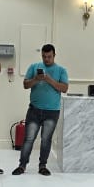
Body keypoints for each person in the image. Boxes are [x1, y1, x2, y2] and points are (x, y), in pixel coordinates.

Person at [13, 44, 69, 176]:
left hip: (52, 112)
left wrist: (49, 80)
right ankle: (22, 165)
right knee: (28, 138)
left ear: (54, 55)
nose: (46, 59)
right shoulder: (34, 67)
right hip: (34, 110)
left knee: (46, 139)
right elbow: (25, 85)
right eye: (44, 56)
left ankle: (42, 166)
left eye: (49, 56)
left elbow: (64, 88)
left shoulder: (61, 70)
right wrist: (36, 79)